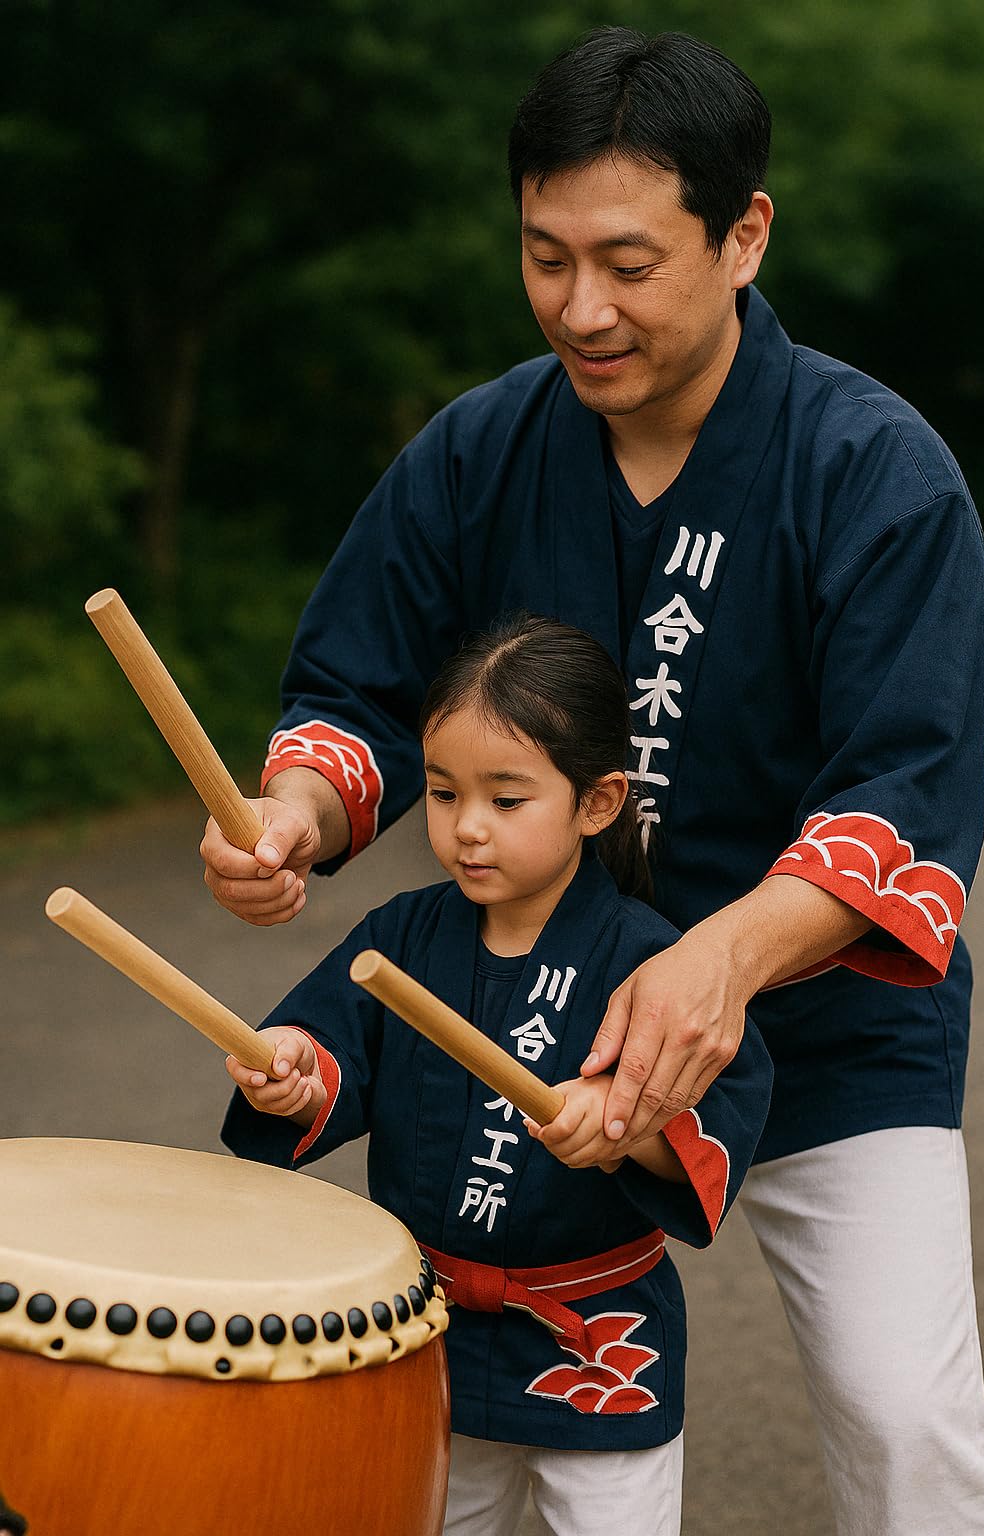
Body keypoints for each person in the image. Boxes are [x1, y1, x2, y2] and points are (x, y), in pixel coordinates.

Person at [202, 27, 984, 1536]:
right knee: (443, 1421)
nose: (582, 308)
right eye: (546, 257)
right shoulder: (478, 453)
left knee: (908, 1419)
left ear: (744, 235)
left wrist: (723, 957)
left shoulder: (874, 472)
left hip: (820, 1027)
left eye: (629, 265)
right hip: (526, 1021)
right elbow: (355, 692)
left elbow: (902, 791)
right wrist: (293, 816)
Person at [221, 614, 773, 1536]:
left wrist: (625, 1121)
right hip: (430, 1327)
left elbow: (713, 1113)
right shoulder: (403, 936)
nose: (467, 828)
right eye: (443, 793)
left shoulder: (648, 961)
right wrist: (293, 1071)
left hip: (595, 1342)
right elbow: (325, 1048)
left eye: (506, 801)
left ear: (597, 803)